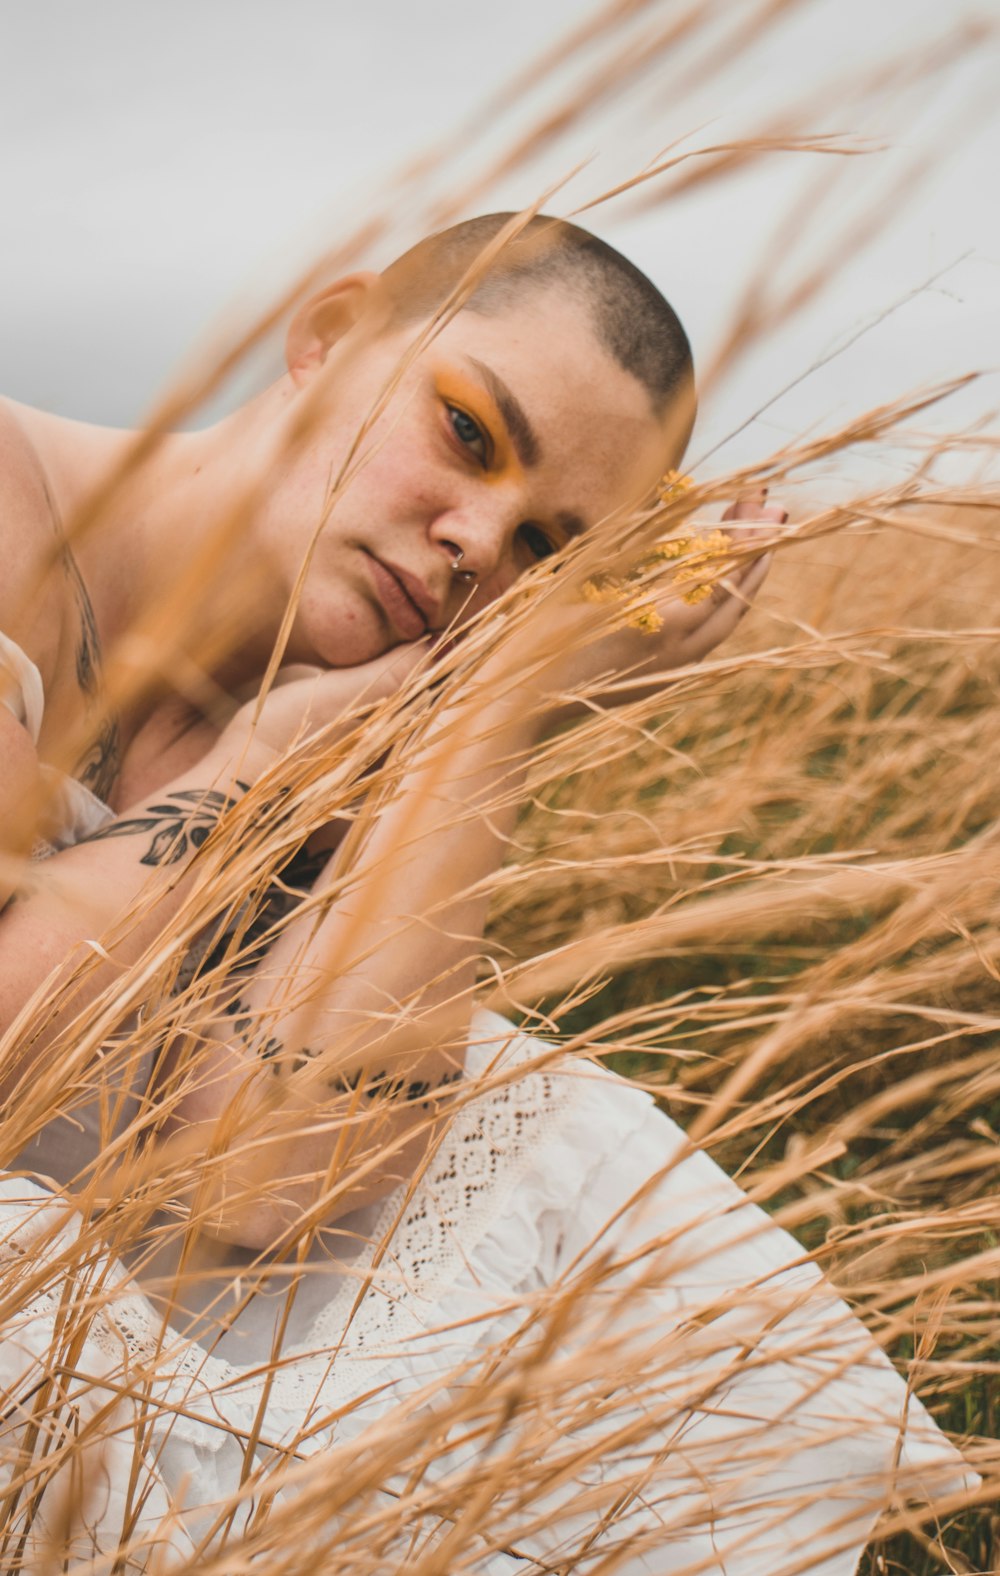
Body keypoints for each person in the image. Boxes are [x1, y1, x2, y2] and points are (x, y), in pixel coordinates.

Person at [0, 214, 973, 1572]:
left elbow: (263, 1189)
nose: (473, 544)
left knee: (552, 1128)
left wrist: (493, 710)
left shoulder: (363, 693)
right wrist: (264, 764)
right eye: (468, 431)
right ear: (330, 338)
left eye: (544, 550)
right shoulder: (15, 516)